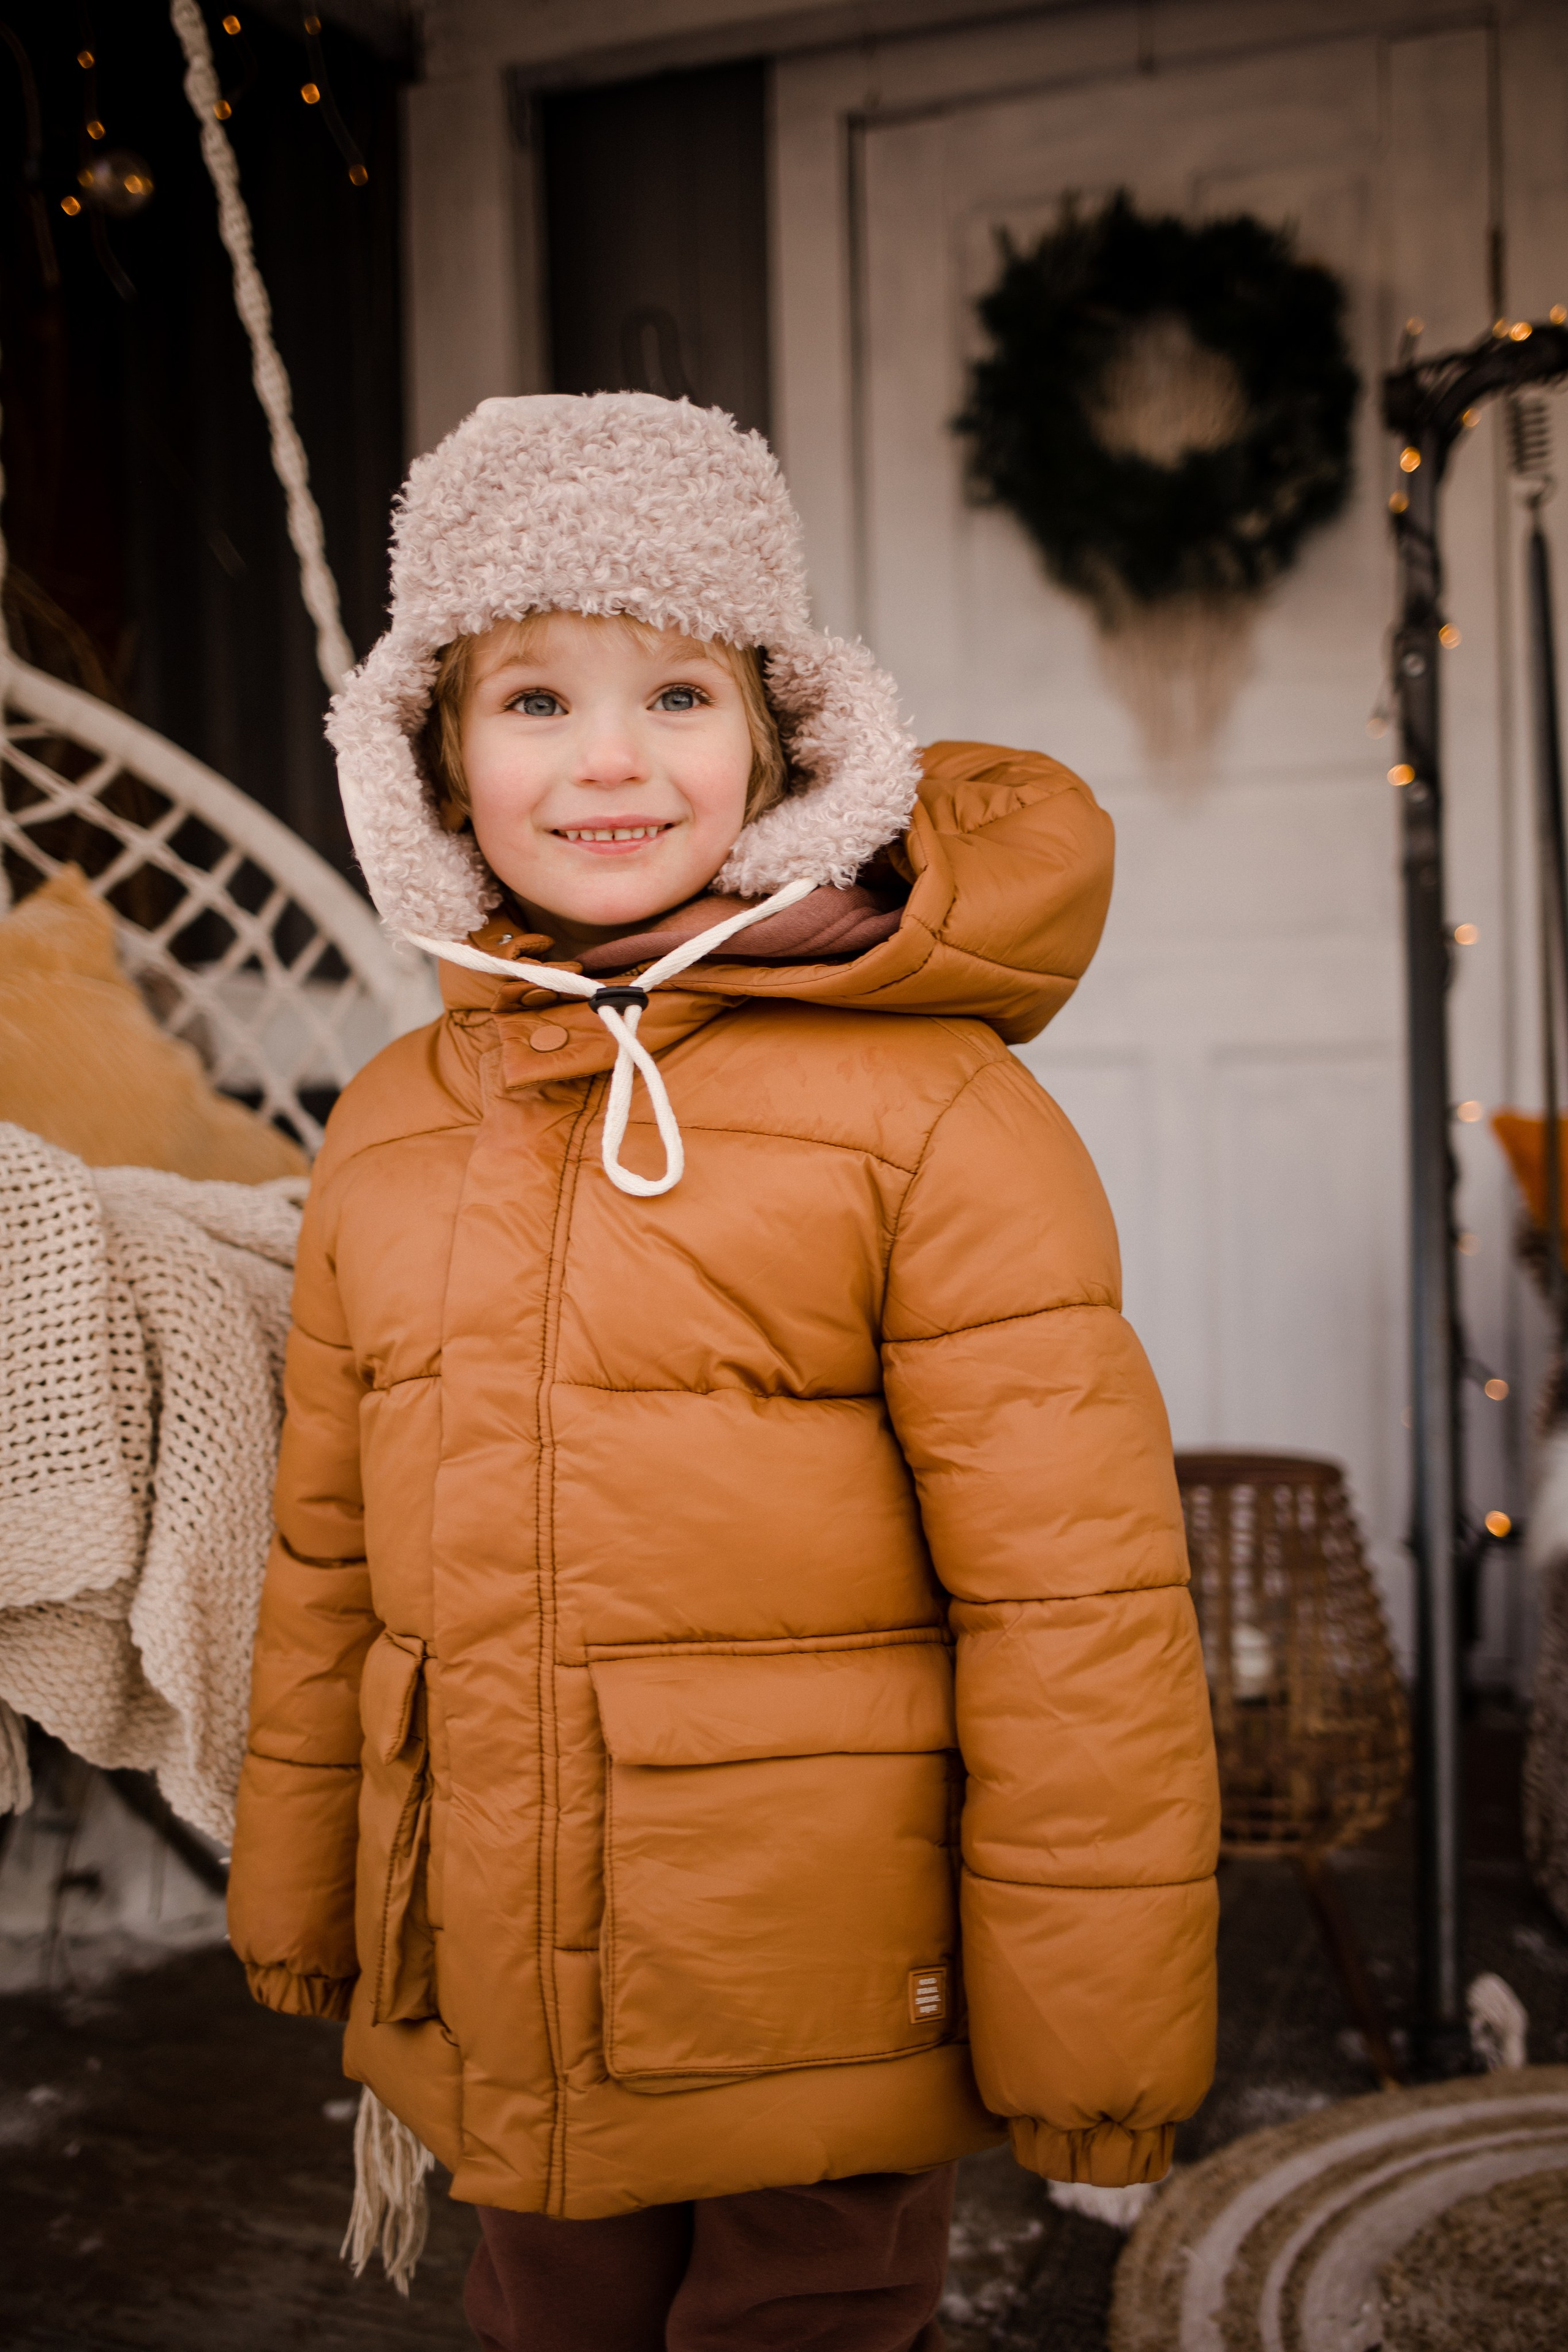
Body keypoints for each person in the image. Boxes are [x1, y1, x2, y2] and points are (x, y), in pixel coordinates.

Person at [227, 392, 1220, 2352]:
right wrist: (309, 1899)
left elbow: (1075, 1606)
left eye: (677, 693)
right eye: (532, 701)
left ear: (782, 740)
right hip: (493, 1953)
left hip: (818, 1966)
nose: (610, 760)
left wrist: (1095, 2033)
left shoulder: (934, 1114)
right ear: (429, 756)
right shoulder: (395, 1124)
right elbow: (327, 1561)